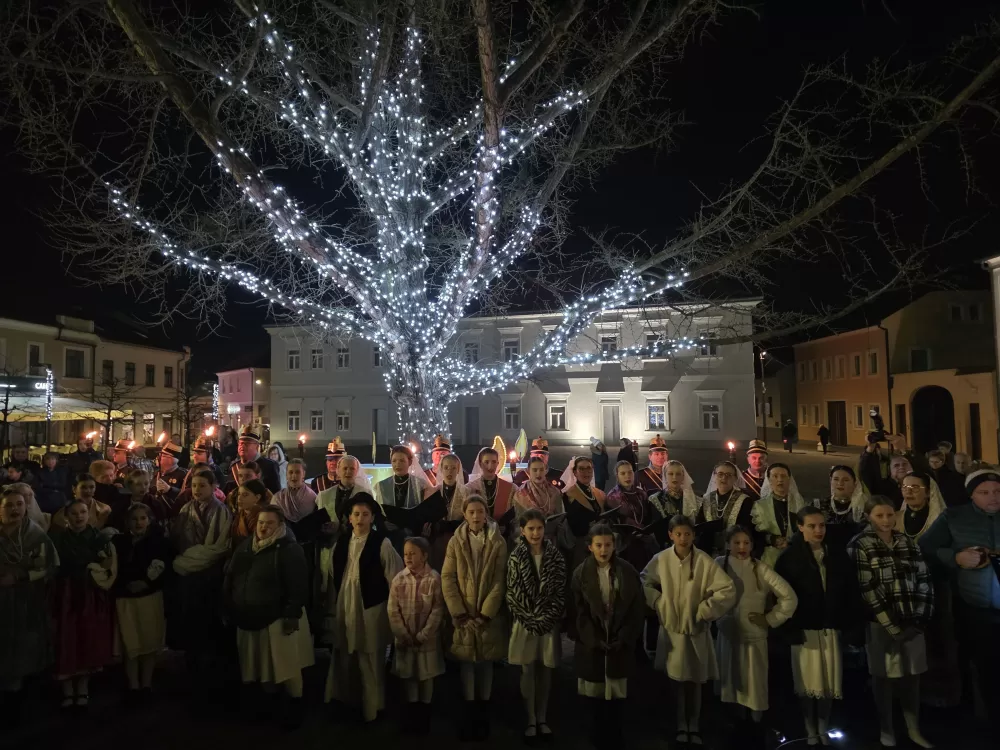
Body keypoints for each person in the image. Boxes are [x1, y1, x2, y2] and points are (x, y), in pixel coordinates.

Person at [641, 515, 736, 746]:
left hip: (696, 629)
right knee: (676, 680)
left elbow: (727, 588)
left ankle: (694, 723)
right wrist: (658, 601)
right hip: (673, 630)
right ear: (670, 535)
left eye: (687, 534)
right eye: (678, 534)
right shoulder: (662, 559)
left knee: (695, 679)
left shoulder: (703, 560)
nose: (683, 538)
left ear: (694, 535)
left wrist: (706, 609)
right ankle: (680, 723)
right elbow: (644, 580)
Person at [847, 496, 934, 749]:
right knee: (883, 677)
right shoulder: (860, 545)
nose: (886, 520)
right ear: (868, 517)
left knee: (912, 676)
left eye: (889, 515)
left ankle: (913, 727)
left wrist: (920, 618)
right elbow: (867, 588)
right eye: (879, 515)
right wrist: (892, 626)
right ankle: (887, 728)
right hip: (882, 623)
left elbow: (924, 578)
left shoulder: (906, 541)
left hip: (912, 620)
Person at [919, 469, 1000, 730]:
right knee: (978, 664)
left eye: (998, 491)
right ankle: (979, 721)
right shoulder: (954, 517)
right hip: (974, 607)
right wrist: (956, 557)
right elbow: (925, 547)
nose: (993, 497)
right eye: (984, 492)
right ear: (971, 495)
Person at [773, 506, 860, 747]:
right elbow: (781, 596)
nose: (818, 530)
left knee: (828, 682)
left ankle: (823, 725)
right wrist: (788, 629)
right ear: (800, 527)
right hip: (804, 629)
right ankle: (809, 726)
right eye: (812, 526)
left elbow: (849, 590)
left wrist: (848, 624)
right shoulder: (789, 559)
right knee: (807, 683)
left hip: (830, 627)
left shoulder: (836, 555)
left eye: (821, 525)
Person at [226, 505, 313, 728]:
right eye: (261, 522)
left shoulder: (288, 549)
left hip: (277, 618)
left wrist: (291, 613)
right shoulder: (246, 546)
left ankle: (295, 708)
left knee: (286, 666)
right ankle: (270, 708)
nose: (264, 527)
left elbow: (298, 584)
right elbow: (231, 576)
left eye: (270, 523)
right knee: (262, 666)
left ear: (280, 525)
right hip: (249, 618)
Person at [323, 494, 403, 723]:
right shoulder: (341, 543)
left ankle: (372, 706)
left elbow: (394, 576)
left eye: (365, 515)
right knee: (345, 653)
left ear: (372, 518)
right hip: (345, 604)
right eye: (356, 514)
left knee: (370, 655)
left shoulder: (381, 543)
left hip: (370, 607)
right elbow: (332, 574)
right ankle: (347, 700)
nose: (360, 519)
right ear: (349, 518)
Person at [715, 526, 797, 730]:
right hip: (729, 635)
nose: (742, 547)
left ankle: (755, 726)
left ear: (752, 545)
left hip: (754, 637)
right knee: (731, 682)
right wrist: (718, 617)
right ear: (728, 544)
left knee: (754, 683)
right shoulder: (718, 565)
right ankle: (734, 724)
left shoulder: (761, 568)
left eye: (746, 542)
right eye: (736, 543)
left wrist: (770, 619)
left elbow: (789, 597)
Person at [571, 522, 646, 745]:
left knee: (616, 695)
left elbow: (636, 608)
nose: (603, 550)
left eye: (608, 545)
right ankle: (597, 733)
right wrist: (592, 638)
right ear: (590, 547)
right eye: (599, 545)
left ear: (615, 546)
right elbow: (578, 611)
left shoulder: (627, 572)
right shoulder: (581, 574)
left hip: (618, 638)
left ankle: (615, 733)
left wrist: (624, 637)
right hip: (592, 641)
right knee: (595, 694)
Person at [441, 495, 508, 740]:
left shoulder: (497, 541)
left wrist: (485, 614)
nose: (476, 516)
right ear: (464, 515)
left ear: (486, 514)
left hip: (486, 613)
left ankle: (484, 709)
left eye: (480, 511)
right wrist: (459, 612)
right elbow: (448, 577)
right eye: (471, 512)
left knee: (486, 661)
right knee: (467, 661)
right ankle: (469, 710)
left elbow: (500, 579)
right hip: (464, 611)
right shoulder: (456, 541)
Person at [169, 468, 232, 702]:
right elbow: (177, 538)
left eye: (202, 485)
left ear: (213, 487)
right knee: (191, 622)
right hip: (188, 577)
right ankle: (192, 668)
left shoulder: (220, 510)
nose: (197, 490)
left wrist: (191, 560)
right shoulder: (186, 509)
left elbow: (219, 546)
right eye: (194, 485)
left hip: (209, 576)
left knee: (208, 623)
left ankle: (211, 675)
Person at [506, 508, 567, 742]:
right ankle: (530, 717)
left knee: (545, 669)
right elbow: (513, 592)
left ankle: (542, 717)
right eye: (530, 529)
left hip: (547, 622)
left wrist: (547, 617)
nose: (535, 533)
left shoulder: (555, 556)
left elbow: (559, 591)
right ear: (522, 531)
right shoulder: (516, 557)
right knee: (528, 669)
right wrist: (530, 618)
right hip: (526, 623)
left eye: (539, 528)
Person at [49, 499, 117, 710]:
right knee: (66, 637)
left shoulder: (98, 537)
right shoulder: (57, 538)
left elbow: (106, 565)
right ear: (66, 516)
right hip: (66, 594)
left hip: (90, 593)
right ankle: (67, 688)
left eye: (83, 512)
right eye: (74, 513)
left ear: (89, 514)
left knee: (88, 636)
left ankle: (84, 685)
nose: (79, 516)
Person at [0, 486, 57, 719]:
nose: (15, 509)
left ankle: (16, 705)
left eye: (19, 504)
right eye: (9, 505)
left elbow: (49, 566)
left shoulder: (35, 535)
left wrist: (20, 576)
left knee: (21, 650)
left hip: (25, 602)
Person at [113, 502, 172, 704]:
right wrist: (125, 584)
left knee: (149, 641)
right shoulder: (119, 542)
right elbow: (113, 568)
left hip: (150, 596)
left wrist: (147, 582)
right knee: (130, 643)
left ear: (149, 520)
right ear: (127, 521)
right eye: (134, 519)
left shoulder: (159, 542)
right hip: (125, 598)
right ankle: (133, 685)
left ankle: (146, 684)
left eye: (143, 518)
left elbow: (165, 568)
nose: (138, 523)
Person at [387, 536, 446, 734]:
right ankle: (411, 712)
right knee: (409, 675)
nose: (408, 557)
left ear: (425, 556)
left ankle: (425, 713)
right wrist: (403, 634)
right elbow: (393, 611)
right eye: (406, 554)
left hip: (426, 640)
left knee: (426, 675)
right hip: (406, 640)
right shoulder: (399, 580)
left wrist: (423, 634)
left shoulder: (434, 579)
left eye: (413, 553)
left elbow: (437, 610)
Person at [752, 463, 805, 567]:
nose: (780, 480)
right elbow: (755, 534)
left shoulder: (799, 503)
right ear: (769, 480)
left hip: (795, 555)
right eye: (775, 476)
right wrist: (772, 539)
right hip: (769, 558)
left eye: (783, 476)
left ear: (789, 479)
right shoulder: (760, 506)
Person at [699, 461, 754, 555]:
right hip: (708, 551)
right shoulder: (706, 499)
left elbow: (747, 529)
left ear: (735, 478)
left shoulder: (745, 500)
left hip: (735, 551)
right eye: (720, 474)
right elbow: (700, 525)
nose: (724, 478)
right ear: (714, 476)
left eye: (729, 475)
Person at [859, 435, 922, 509]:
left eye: (904, 464)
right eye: (896, 465)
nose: (901, 467)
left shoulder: (920, 483)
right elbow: (866, 471)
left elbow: (923, 469)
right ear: (890, 470)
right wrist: (870, 448)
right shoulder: (882, 487)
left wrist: (904, 449)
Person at [315, 455, 371, 535]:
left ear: (357, 471)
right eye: (345, 468)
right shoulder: (324, 495)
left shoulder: (366, 493)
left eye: (352, 468)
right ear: (338, 470)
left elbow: (370, 520)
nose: (348, 472)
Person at [816, 466, 866, 551]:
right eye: (836, 479)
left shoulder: (862, 507)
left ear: (855, 483)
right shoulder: (818, 506)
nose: (840, 483)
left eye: (845, 480)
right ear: (831, 481)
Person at [466, 447, 516, 529]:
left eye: (494, 462)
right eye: (486, 462)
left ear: (498, 463)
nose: (490, 466)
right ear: (480, 464)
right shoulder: (469, 488)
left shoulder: (511, 488)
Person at [225, 426, 281, 495]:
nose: (242, 446)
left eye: (247, 443)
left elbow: (275, 493)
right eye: (240, 443)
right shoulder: (234, 466)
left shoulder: (269, 466)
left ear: (257, 446)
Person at [373, 444, 430, 511]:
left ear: (410, 462)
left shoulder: (420, 485)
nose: (397, 464)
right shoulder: (382, 485)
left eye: (402, 461)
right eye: (394, 461)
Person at [898, 472, 945, 542]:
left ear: (928, 492)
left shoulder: (940, 520)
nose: (908, 492)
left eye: (915, 488)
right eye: (905, 487)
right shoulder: (895, 518)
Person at [272, 458, 318, 524]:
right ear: (286, 475)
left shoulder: (313, 497)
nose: (294, 475)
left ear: (303, 474)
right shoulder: (277, 498)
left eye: (297, 472)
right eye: (290, 472)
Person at [231, 479, 271, 549]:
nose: (239, 498)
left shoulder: (266, 516)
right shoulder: (240, 514)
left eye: (245, 495)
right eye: (239, 494)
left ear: (257, 497)